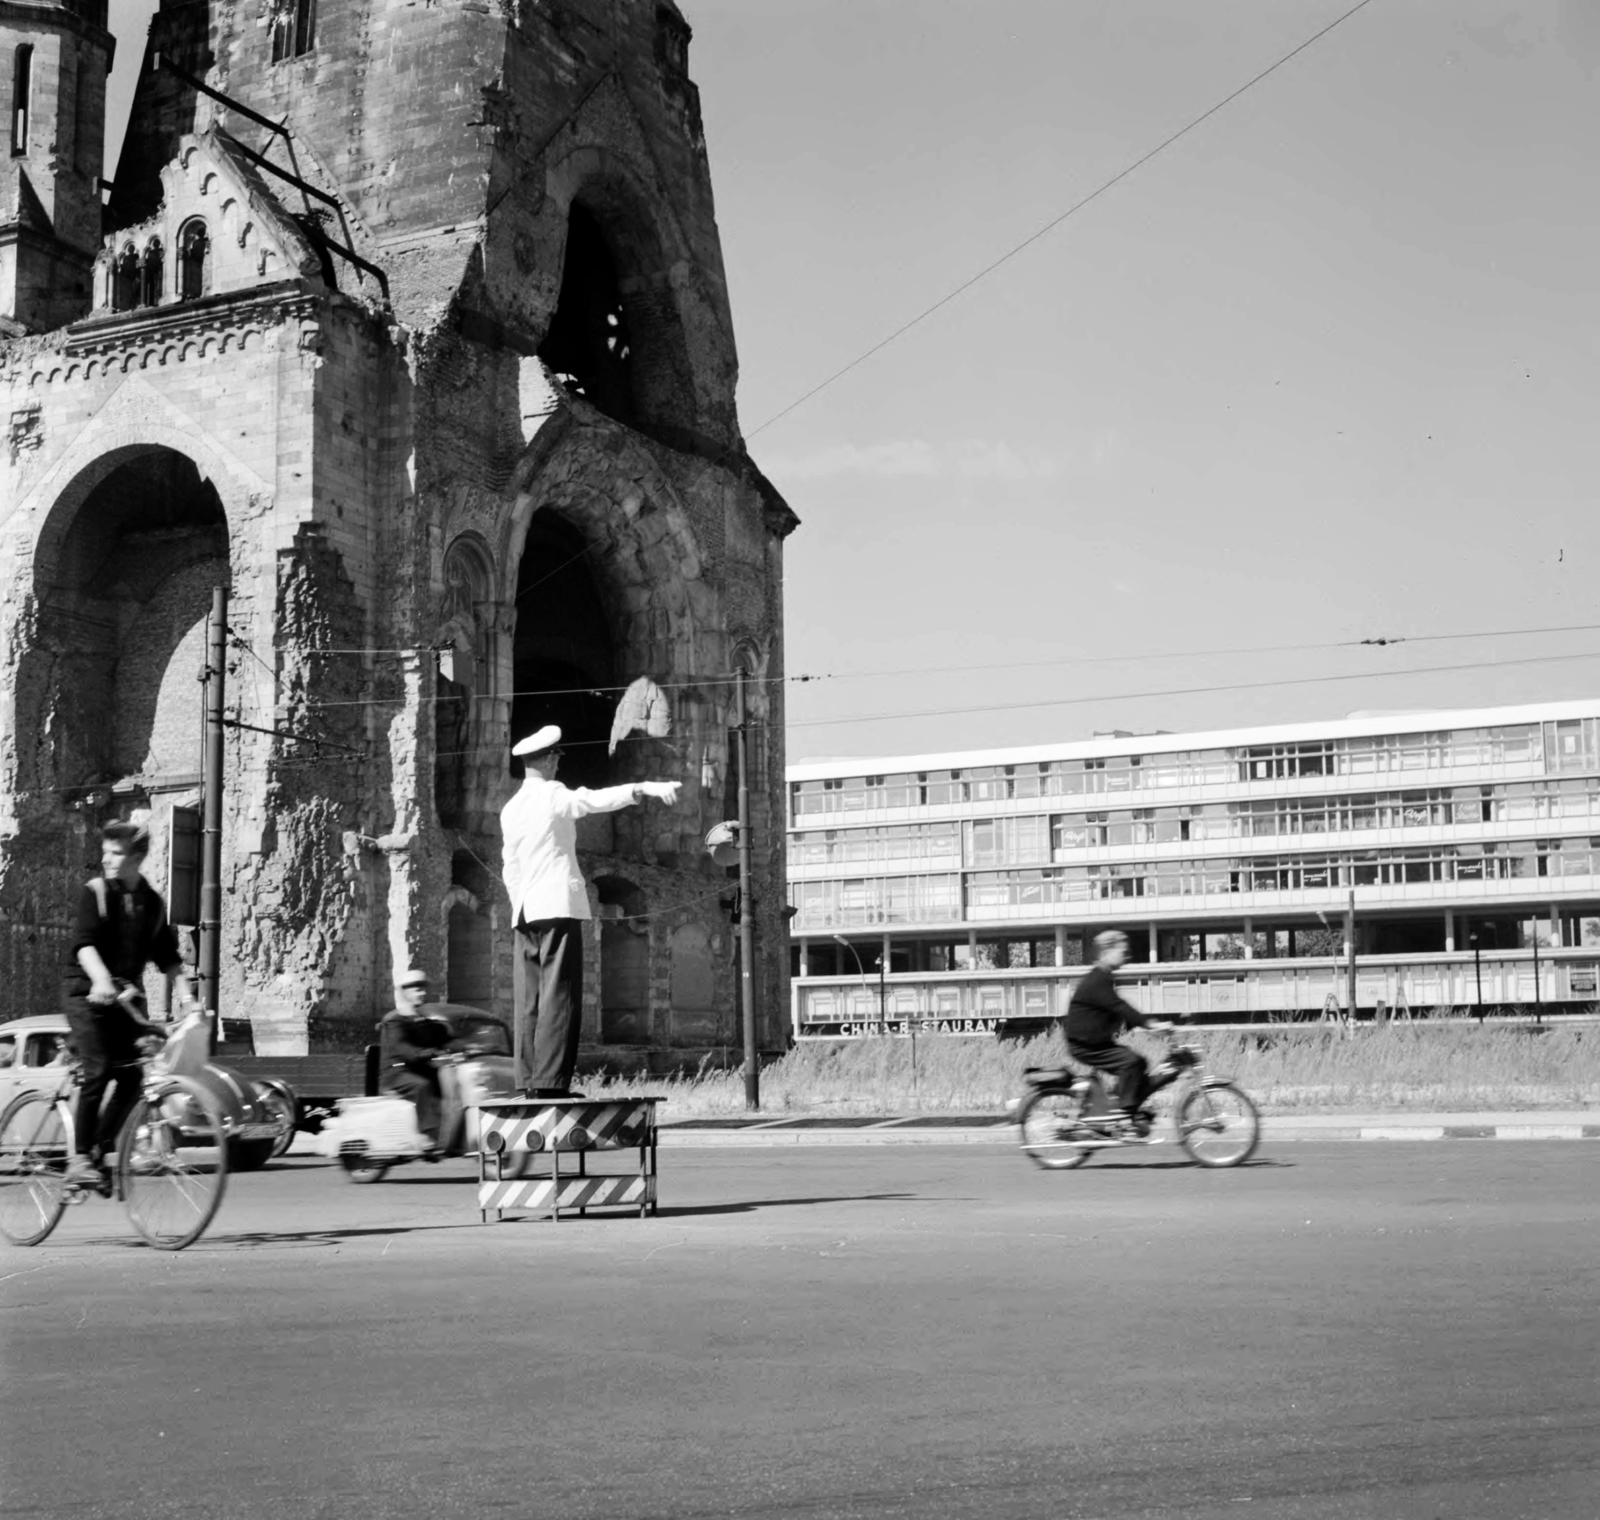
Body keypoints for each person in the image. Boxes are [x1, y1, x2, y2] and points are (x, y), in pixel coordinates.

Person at [500, 725, 680, 1097]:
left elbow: (510, 866)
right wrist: (643, 788)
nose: (557, 764)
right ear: (549, 760)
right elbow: (592, 800)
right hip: (557, 907)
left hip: (524, 912)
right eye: (556, 758)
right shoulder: (552, 794)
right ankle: (551, 1085)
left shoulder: (511, 807)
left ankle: (528, 1081)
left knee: (528, 1000)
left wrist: (521, 903)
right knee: (559, 997)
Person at [63, 822, 200, 1188]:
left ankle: (98, 1151)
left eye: (116, 853)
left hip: (123, 999)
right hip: (84, 992)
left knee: (132, 1077)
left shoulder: (151, 903)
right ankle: (78, 1159)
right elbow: (85, 944)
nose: (106, 859)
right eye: (105, 851)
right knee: (99, 1068)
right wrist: (101, 979)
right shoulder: (94, 892)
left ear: (137, 858)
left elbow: (168, 958)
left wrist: (189, 1000)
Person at [1064, 929, 1173, 1132]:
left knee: (1137, 1063)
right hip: (1085, 1045)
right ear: (1107, 951)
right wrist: (1150, 1025)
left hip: (1093, 1041)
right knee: (1131, 1063)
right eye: (1123, 951)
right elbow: (1120, 1007)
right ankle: (1124, 1120)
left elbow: (1116, 1012)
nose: (1127, 955)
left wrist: (1146, 1026)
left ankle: (1122, 1109)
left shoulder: (1103, 977)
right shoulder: (1098, 979)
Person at [376, 969, 451, 1148]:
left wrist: (467, 1047)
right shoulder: (394, 1020)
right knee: (422, 1086)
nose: (422, 993)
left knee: (447, 1083)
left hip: (416, 1069)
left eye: (423, 989)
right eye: (417, 989)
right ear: (404, 992)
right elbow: (401, 1048)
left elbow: (443, 1040)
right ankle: (427, 1134)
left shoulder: (421, 1019)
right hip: (396, 1073)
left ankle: (448, 1128)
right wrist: (424, 1053)